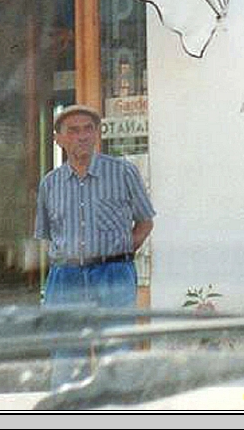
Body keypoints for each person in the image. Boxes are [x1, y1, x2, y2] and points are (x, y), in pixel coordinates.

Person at [35, 104, 156, 386]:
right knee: (66, 360)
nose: (82, 136)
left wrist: (120, 254)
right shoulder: (50, 184)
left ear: (97, 134)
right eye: (73, 131)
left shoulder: (123, 172)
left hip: (113, 277)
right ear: (58, 139)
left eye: (88, 129)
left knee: (116, 357)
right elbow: (47, 235)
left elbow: (145, 223)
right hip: (65, 280)